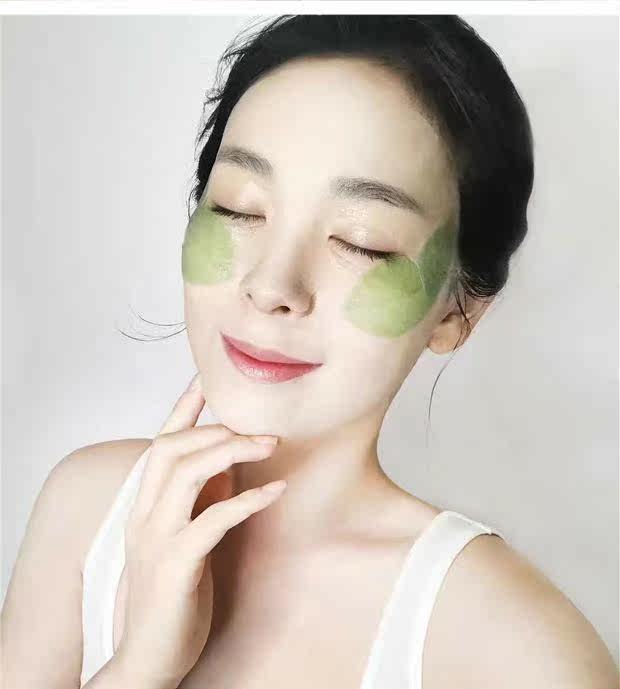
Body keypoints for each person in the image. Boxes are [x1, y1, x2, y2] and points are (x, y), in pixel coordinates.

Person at [2, 14, 618, 689]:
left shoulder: (521, 650)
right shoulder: (87, 507)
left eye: (362, 241)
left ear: (457, 311)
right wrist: (141, 663)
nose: (272, 286)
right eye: (238, 208)